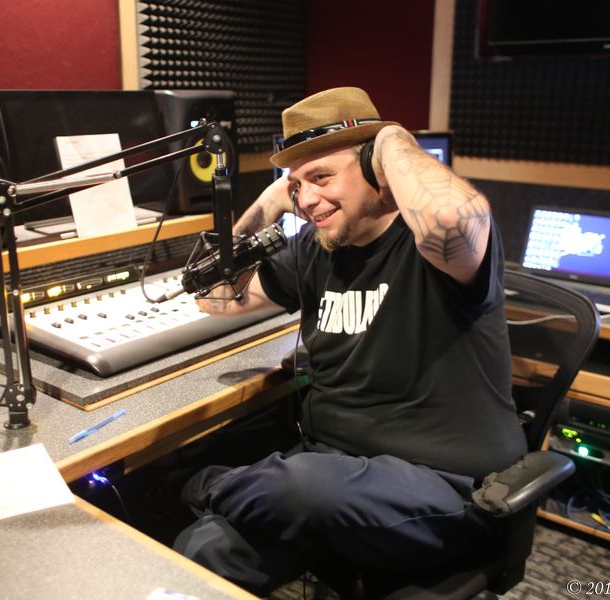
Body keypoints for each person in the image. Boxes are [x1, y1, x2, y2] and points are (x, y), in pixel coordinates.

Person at [172, 87, 526, 595]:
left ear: (375, 169)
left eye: (321, 177)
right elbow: (216, 293)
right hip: (331, 474)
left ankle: (206, 485)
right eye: (298, 185)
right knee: (201, 551)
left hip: (441, 486)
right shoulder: (317, 248)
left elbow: (451, 220)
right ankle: (225, 492)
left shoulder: (435, 247)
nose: (307, 199)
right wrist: (272, 200)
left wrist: (391, 141)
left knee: (296, 485)